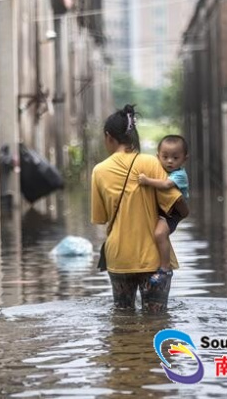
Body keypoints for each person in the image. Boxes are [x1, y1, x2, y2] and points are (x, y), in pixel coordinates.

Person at [91, 105, 189, 313]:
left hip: (118, 257)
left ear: (109, 137)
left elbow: (100, 218)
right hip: (153, 258)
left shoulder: (99, 171)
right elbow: (178, 205)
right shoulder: (151, 163)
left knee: (122, 319)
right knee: (157, 321)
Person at [138, 135, 189, 285]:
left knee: (160, 234)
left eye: (175, 158)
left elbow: (166, 185)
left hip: (174, 212)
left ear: (184, 159)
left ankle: (165, 268)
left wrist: (147, 180)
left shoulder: (180, 175)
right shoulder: (160, 169)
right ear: (157, 157)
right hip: (164, 210)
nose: (170, 161)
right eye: (165, 157)